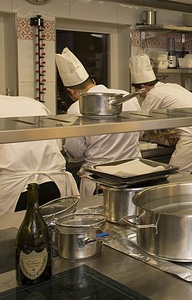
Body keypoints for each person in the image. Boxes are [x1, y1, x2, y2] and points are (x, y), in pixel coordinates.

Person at [0, 55, 78, 216]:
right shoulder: (32, 103)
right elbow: (56, 144)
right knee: (54, 234)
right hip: (55, 185)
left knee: (15, 237)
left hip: (19, 190)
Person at [56, 47, 142, 196]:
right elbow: (139, 132)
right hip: (134, 173)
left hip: (100, 179)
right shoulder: (125, 95)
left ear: (70, 92)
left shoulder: (77, 107)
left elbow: (75, 151)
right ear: (94, 81)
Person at [129, 54, 192, 176]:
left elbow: (139, 127)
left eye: (139, 93)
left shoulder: (153, 95)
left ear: (143, 88)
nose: (140, 96)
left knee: (175, 178)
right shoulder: (172, 86)